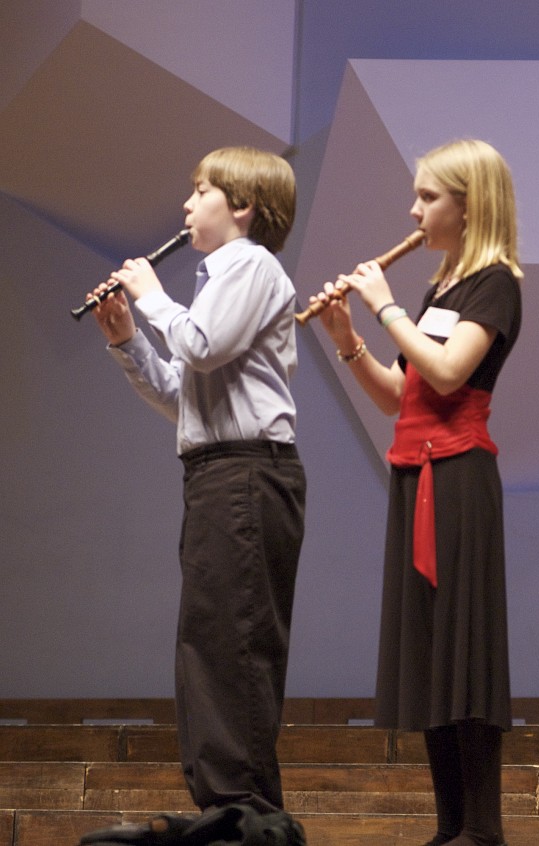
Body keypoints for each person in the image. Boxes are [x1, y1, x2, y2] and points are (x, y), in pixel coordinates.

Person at [309, 138, 521, 846]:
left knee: (465, 648)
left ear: (469, 205)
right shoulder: (440, 288)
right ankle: (449, 827)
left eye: (428, 197)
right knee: (431, 651)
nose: (414, 209)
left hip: (459, 478)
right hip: (416, 472)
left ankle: (483, 830)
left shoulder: (495, 282)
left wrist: (382, 307)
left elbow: (452, 371)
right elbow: (401, 391)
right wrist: (348, 339)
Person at [88, 147, 307, 821]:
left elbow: (203, 344)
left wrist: (152, 297)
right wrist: (129, 342)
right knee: (211, 642)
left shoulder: (250, 264)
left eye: (201, 190)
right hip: (219, 472)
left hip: (246, 471)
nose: (186, 205)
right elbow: (187, 394)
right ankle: (234, 808)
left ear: (241, 206)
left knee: (232, 641)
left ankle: (242, 810)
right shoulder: (222, 278)